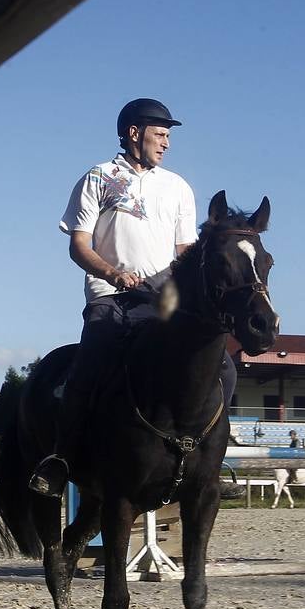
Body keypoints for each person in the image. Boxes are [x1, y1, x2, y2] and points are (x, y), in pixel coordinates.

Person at [29, 98, 233, 498]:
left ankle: (212, 461)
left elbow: (184, 254)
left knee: (222, 367)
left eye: (169, 136)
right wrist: (113, 274)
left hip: (163, 303)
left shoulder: (178, 187)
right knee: (90, 365)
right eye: (161, 134)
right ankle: (61, 460)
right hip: (111, 298)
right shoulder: (98, 177)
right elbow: (79, 246)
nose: (167, 143)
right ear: (134, 133)